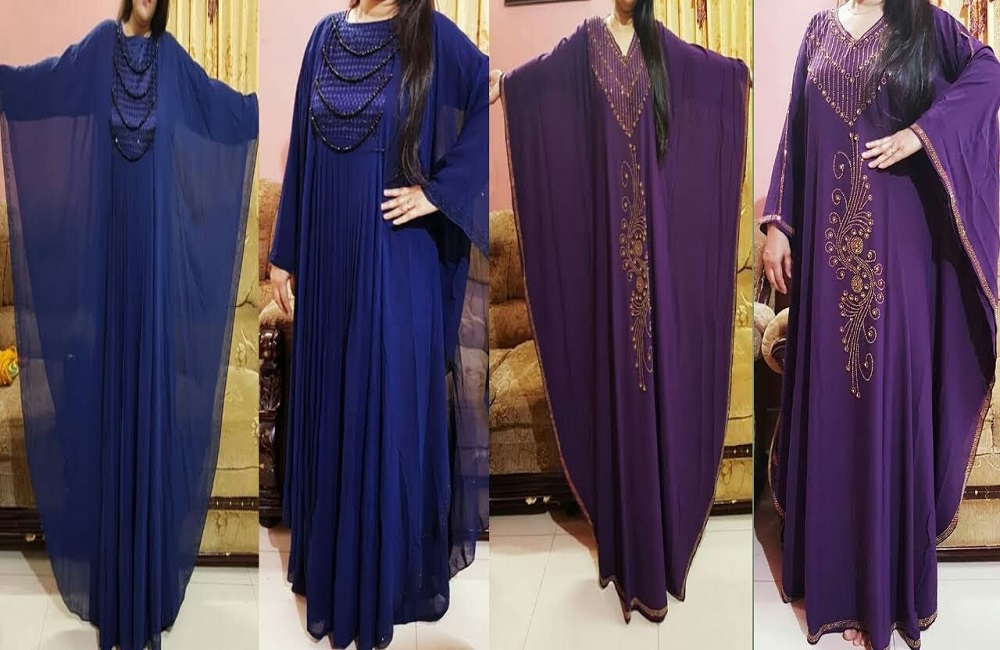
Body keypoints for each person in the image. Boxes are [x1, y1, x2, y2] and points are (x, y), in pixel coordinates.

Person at [0, 1, 258, 649]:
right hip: (108, 268)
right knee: (112, 409)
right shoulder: (96, 49)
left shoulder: (172, 61)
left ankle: (145, 582)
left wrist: (272, 104)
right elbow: (39, 85)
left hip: (156, 269)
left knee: (149, 407)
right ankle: (116, 584)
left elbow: (224, 111)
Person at [491, 0, 748, 622]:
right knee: (620, 387)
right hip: (610, 270)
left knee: (660, 388)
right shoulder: (584, 48)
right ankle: (629, 546)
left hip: (659, 273)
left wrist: (738, 77)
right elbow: (538, 84)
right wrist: (507, 86)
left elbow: (713, 76)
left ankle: (660, 541)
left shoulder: (665, 50)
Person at [759, 1, 1000, 647]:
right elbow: (795, 131)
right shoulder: (819, 29)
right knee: (832, 405)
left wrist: (924, 132)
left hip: (900, 257)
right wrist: (778, 224)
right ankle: (834, 582)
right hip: (826, 263)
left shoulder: (923, 21)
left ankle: (883, 592)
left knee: (889, 402)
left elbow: (989, 72)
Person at [267, 0, 488, 647]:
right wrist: (284, 253)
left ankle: (382, 582)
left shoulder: (429, 34)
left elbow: (485, 91)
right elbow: (302, 151)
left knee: (383, 413)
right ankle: (335, 571)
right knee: (336, 407)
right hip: (329, 264)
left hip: (397, 261)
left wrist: (435, 194)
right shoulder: (322, 38)